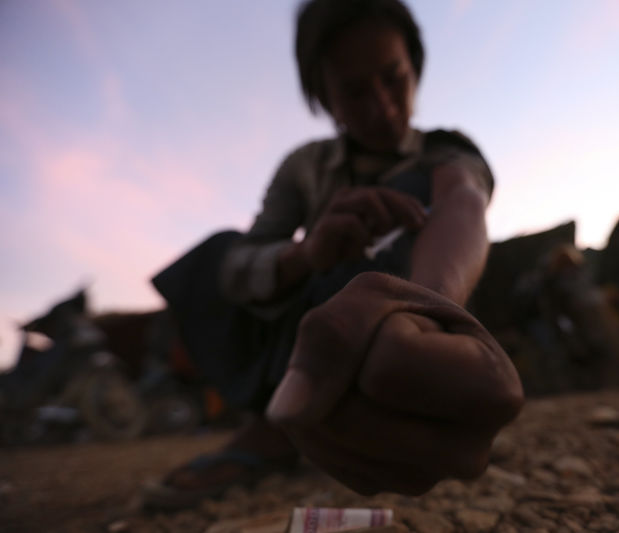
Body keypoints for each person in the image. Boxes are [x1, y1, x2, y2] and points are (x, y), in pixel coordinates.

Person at [144, 0, 523, 508]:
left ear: (415, 67)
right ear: (324, 99)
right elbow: (244, 262)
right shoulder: (304, 166)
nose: (384, 107)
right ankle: (278, 419)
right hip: (300, 323)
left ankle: (358, 400)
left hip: (398, 326)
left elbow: (464, 198)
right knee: (217, 254)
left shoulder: (445, 152)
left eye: (395, 79)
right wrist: (307, 253)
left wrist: (424, 310)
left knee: (409, 203)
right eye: (355, 91)